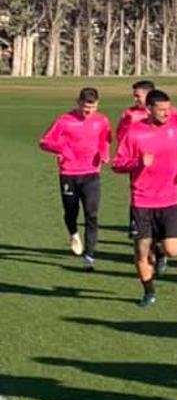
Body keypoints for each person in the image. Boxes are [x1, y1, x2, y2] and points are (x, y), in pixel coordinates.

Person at [111, 90, 177, 308]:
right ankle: (148, 291)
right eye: (162, 110)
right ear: (148, 110)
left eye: (169, 109)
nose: (167, 114)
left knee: (172, 250)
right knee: (141, 252)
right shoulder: (134, 133)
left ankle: (160, 251)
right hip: (142, 201)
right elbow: (117, 164)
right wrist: (138, 163)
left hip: (170, 198)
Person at [38, 87, 112, 270]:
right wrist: (62, 149)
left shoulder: (102, 121)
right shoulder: (64, 121)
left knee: (91, 214)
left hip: (91, 173)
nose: (89, 111)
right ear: (78, 102)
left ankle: (89, 256)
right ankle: (73, 233)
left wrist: (104, 153)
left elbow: (105, 139)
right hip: (69, 173)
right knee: (71, 212)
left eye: (93, 107)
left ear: (98, 105)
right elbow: (44, 142)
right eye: (86, 107)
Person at [116, 80, 177, 144]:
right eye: (134, 96)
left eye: (137, 96)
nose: (135, 99)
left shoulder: (170, 111)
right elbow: (121, 137)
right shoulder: (129, 113)